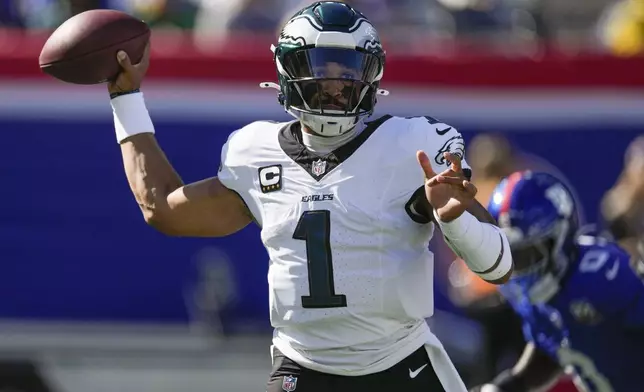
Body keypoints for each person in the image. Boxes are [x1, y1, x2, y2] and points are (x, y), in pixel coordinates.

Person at [107, 2, 513, 391]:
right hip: (301, 369)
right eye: (320, 68)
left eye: (347, 69)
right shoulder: (255, 151)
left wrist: (455, 221)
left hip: (399, 364)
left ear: (371, 75)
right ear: (288, 70)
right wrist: (125, 98)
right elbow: (162, 208)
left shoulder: (414, 146)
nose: (335, 84)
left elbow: (499, 267)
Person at [471, 171, 644, 392]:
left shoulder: (601, 277)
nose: (518, 269)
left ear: (558, 239)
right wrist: (508, 386)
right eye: (510, 256)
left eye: (527, 255)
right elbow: (556, 347)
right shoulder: (539, 298)